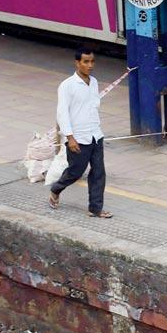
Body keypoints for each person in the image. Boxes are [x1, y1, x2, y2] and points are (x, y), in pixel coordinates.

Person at [48, 49, 112, 219]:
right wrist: (70, 138)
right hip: (77, 138)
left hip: (95, 135)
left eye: (92, 61)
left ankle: (96, 208)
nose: (90, 65)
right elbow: (62, 113)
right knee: (75, 172)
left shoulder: (94, 82)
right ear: (77, 63)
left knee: (99, 172)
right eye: (86, 62)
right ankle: (56, 188)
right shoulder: (67, 86)